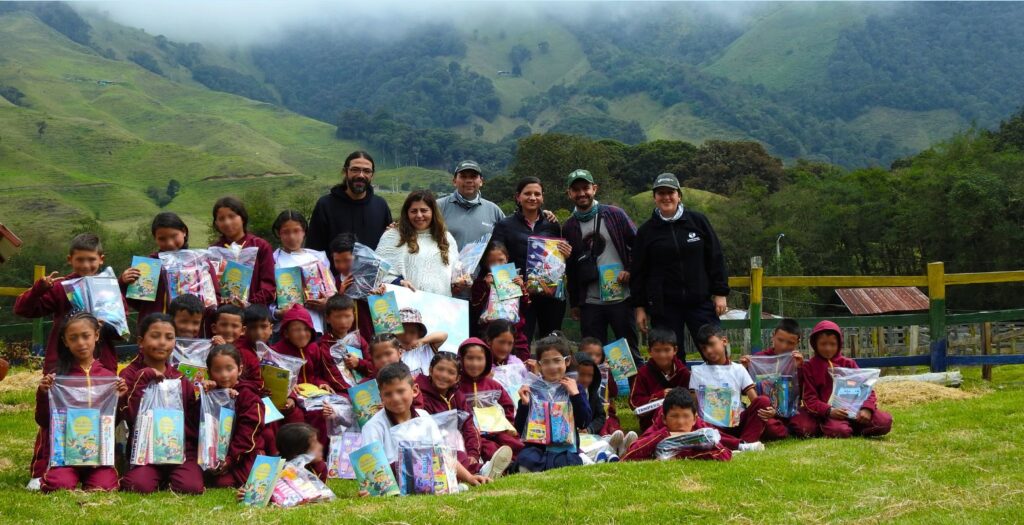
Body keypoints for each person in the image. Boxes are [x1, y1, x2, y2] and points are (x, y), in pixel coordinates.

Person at [630, 173, 729, 360]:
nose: (666, 197)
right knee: (670, 358)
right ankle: (675, 390)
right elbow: (639, 272)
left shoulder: (698, 221)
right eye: (661, 193)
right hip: (664, 306)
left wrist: (720, 292)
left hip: (700, 301)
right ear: (654, 197)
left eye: (671, 192)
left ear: (679, 195)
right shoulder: (646, 231)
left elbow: (715, 257)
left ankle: (721, 388)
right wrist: (640, 307)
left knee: (714, 351)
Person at [359, 362, 491, 490]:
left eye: (400, 391)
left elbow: (442, 454)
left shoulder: (424, 417)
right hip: (394, 479)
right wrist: (371, 489)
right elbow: (372, 469)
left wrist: (470, 478)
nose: (395, 398)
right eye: (388, 394)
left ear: (415, 390)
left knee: (455, 455)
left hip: (427, 471)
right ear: (381, 397)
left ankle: (471, 474)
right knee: (406, 461)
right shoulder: (373, 426)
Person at [34, 313, 127, 492]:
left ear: (97, 336)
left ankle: (96, 475)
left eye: (86, 336)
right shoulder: (57, 378)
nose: (81, 343)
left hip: (98, 453)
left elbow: (115, 422)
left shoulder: (108, 377)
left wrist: (120, 397)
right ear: (65, 341)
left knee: (105, 486)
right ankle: (58, 473)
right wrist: (44, 393)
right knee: (58, 485)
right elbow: (43, 420)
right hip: (65, 453)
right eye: (74, 338)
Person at [119, 313, 204, 494]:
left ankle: (170, 475)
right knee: (137, 486)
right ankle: (152, 475)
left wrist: (205, 395)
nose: (162, 342)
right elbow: (128, 416)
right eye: (155, 336)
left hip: (179, 450)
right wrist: (143, 378)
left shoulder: (180, 377)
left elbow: (191, 419)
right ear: (141, 341)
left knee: (191, 487)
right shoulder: (129, 374)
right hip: (145, 451)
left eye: (169, 337)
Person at [14, 232, 120, 375]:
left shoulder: (109, 287)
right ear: (70, 259)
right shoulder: (61, 287)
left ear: (101, 259)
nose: (86, 265)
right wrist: (38, 290)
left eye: (91, 259)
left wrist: (105, 326)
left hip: (102, 366)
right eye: (80, 260)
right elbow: (22, 310)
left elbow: (121, 331)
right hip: (62, 367)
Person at [562, 169, 640, 362]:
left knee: (627, 349)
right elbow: (571, 267)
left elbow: (638, 245)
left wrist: (630, 270)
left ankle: (631, 391)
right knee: (592, 355)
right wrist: (575, 302)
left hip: (620, 296)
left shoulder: (614, 215)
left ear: (594, 189)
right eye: (576, 189)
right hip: (590, 301)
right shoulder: (569, 226)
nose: (582, 193)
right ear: (569, 193)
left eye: (585, 188)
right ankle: (599, 391)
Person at [490, 177, 572, 342]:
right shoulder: (504, 225)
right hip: (517, 293)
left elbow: (558, 261)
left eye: (537, 194)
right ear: (518, 197)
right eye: (527, 193)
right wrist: (509, 281)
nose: (532, 197)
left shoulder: (553, 225)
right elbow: (495, 258)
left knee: (551, 341)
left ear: (542, 198)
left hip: (550, 294)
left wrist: (566, 254)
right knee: (520, 340)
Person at [413, 352, 513, 479]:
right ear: (431, 370)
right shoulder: (421, 395)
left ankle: (499, 467)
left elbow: (469, 425)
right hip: (435, 448)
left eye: (450, 372)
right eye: (440, 369)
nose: (444, 375)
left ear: (457, 378)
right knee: (456, 456)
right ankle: (482, 470)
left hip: (459, 446)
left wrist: (473, 454)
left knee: (483, 446)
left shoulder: (457, 396)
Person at [790, 321, 893, 439]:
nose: (828, 348)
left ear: (839, 344)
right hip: (830, 414)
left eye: (832, 344)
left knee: (884, 422)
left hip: (857, 411)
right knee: (839, 430)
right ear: (815, 344)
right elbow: (809, 399)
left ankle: (852, 426)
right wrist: (829, 411)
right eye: (823, 344)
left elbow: (867, 389)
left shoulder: (848, 363)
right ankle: (839, 427)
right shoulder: (810, 367)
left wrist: (867, 408)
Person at [690, 324, 788, 448]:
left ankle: (744, 441)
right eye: (704, 348)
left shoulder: (738, 369)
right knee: (698, 426)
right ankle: (742, 445)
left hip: (737, 422)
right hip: (712, 425)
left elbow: (755, 400)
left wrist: (769, 410)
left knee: (763, 401)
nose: (708, 351)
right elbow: (693, 405)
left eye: (711, 344)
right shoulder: (698, 371)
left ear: (724, 341)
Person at [513, 333, 592, 472]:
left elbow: (583, 422)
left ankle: (583, 458)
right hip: (536, 448)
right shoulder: (533, 389)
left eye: (557, 360)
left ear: (567, 361)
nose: (552, 366)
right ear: (539, 364)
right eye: (546, 362)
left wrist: (575, 395)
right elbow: (520, 429)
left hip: (564, 448)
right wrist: (525, 405)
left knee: (567, 463)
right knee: (525, 461)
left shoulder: (574, 387)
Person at [376, 190, 461, 297]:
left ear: (433, 212)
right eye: (414, 211)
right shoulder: (393, 236)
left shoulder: (446, 238)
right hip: (404, 304)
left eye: (424, 210)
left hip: (440, 306)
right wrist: (399, 282)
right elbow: (377, 273)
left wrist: (458, 282)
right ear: (407, 213)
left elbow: (455, 273)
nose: (419, 215)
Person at [203, 345, 265, 488]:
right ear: (209, 372)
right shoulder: (210, 393)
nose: (224, 375)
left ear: (240, 369)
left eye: (229, 369)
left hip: (243, 454)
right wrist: (206, 395)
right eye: (217, 370)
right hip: (214, 453)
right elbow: (200, 422)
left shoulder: (249, 396)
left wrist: (231, 459)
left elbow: (249, 432)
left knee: (223, 482)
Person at [307, 151, 393, 251]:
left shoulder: (380, 206)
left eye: (367, 171)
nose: (361, 175)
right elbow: (314, 249)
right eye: (355, 170)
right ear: (345, 172)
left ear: (372, 175)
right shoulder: (325, 205)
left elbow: (389, 245)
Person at [457, 337, 524, 461]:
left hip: (497, 430)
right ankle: (503, 466)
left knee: (514, 444)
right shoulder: (457, 386)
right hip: (473, 433)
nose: (475, 363)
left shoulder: (494, 385)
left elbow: (508, 406)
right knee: (489, 449)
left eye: (479, 359)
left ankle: (518, 463)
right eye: (470, 358)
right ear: (461, 360)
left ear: (487, 360)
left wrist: (508, 425)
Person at [120, 212, 191, 329]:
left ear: (184, 231)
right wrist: (124, 282)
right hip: (154, 330)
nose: (169, 243)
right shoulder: (149, 266)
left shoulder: (198, 262)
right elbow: (138, 303)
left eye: (174, 236)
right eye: (162, 239)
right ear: (155, 239)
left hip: (188, 330)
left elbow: (212, 298)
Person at [622, 388, 733, 462]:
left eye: (686, 416)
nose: (680, 422)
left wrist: (684, 452)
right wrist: (665, 435)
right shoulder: (659, 429)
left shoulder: (699, 431)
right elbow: (630, 455)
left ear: (694, 419)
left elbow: (724, 454)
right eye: (674, 416)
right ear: (664, 419)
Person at [271, 210, 332, 334]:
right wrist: (277, 313)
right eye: (285, 232)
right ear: (279, 233)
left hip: (316, 327)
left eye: (296, 231)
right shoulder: (273, 261)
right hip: (286, 330)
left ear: (304, 231)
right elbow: (267, 300)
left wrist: (327, 303)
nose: (292, 237)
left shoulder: (318, 259)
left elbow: (331, 291)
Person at [211, 197, 276, 307]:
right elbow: (211, 288)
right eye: (221, 219)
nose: (227, 222)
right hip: (224, 316)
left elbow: (268, 286)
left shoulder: (261, 246)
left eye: (232, 216)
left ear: (243, 218)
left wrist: (250, 304)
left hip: (254, 315)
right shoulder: (213, 251)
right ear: (216, 223)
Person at [437, 159, 506, 261]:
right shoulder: (439, 206)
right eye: (463, 176)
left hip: (484, 276)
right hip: (447, 274)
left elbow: (506, 243)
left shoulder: (493, 210)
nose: (469, 180)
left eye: (473, 176)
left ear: (481, 181)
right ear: (454, 181)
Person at [470, 240, 530, 356]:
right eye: (492, 263)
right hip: (490, 333)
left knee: (520, 363)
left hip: (515, 333)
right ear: (486, 264)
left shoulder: (515, 279)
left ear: (507, 258)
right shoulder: (481, 282)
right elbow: (476, 308)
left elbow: (526, 305)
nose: (497, 265)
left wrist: (522, 287)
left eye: (501, 260)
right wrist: (485, 286)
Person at [629, 327, 692, 432]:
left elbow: (691, 401)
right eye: (657, 351)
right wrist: (659, 396)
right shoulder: (643, 373)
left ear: (675, 350)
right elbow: (634, 403)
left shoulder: (683, 372)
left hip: (680, 421)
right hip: (651, 423)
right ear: (650, 351)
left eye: (667, 350)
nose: (662, 355)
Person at [327, 232, 376, 343]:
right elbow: (329, 313)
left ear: (357, 256)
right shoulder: (332, 282)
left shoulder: (371, 277)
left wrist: (378, 294)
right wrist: (340, 295)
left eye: (347, 260)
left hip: (370, 336)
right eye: (337, 261)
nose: (342, 266)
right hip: (344, 342)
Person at [317, 294, 372, 381]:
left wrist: (358, 363)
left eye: (347, 316)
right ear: (327, 318)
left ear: (353, 316)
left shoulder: (358, 340)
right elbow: (331, 375)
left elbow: (373, 367)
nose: (343, 322)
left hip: (365, 388)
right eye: (337, 317)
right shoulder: (324, 344)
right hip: (342, 391)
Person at [396, 307, 447, 377]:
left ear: (419, 334)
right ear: (396, 332)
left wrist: (422, 341)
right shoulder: (391, 350)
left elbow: (444, 335)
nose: (407, 336)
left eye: (412, 332)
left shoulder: (425, 349)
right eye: (403, 331)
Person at [232, 304, 273, 385]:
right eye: (253, 327)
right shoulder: (239, 352)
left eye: (263, 326)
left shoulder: (273, 351)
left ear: (271, 329)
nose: (258, 332)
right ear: (244, 330)